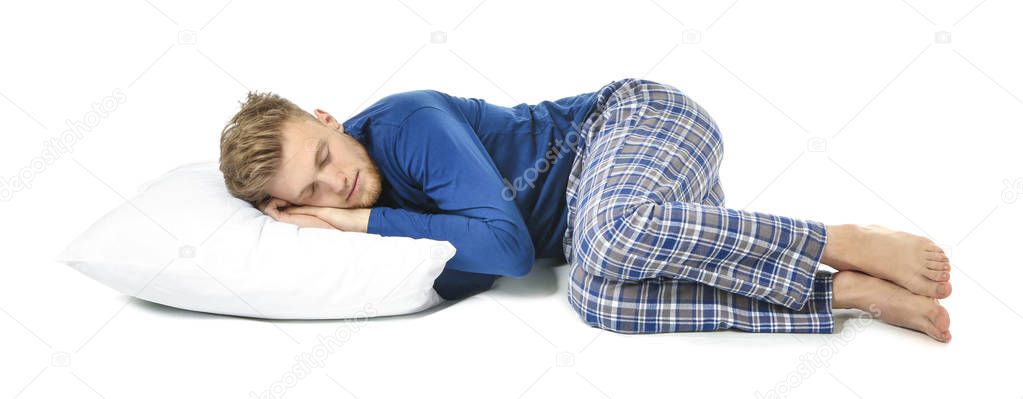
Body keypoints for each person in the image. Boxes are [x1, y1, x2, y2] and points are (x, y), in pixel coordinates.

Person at [218, 78, 952, 342]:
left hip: (636, 122)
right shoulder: (341, 215)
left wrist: (355, 224)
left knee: (606, 239)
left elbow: (502, 253)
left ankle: (840, 239)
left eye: (323, 157)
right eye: (307, 195)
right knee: (600, 298)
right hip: (626, 226)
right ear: (283, 208)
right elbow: (467, 266)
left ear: (328, 118)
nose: (333, 188)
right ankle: (838, 294)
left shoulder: (406, 123)